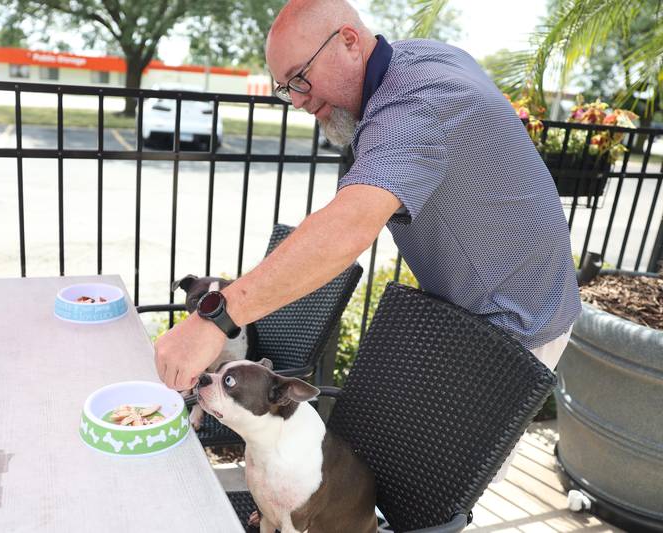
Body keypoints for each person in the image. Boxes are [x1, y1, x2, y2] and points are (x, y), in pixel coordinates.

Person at [154, 0, 581, 464]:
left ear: (350, 42)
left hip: (515, 318)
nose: (296, 99)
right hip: (473, 305)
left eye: (301, 78)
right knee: (397, 464)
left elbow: (347, 229)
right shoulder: (420, 59)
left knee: (440, 479)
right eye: (285, 88)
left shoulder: (416, 105)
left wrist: (217, 319)